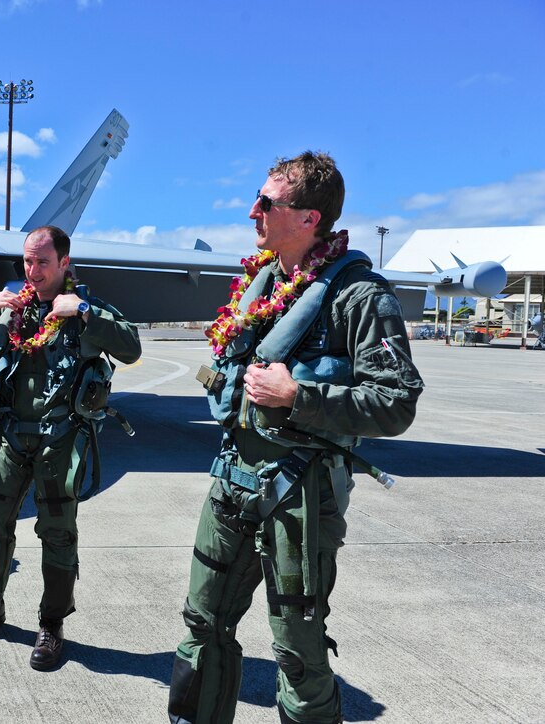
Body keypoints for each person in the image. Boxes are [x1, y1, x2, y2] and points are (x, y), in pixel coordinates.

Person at [168, 152, 424, 723]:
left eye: (268, 202)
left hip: (300, 496)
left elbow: (397, 403)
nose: (252, 211)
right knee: (201, 625)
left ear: (309, 218)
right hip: (231, 480)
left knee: (297, 653)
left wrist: (298, 397)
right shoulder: (258, 289)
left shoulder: (359, 297)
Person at [0, 225, 142, 670]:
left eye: (41, 262)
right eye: (27, 261)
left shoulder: (81, 309)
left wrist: (86, 311)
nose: (31, 271)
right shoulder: (10, 310)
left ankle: (52, 625)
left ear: (64, 264)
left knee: (57, 536)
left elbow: (130, 348)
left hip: (60, 443)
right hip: (8, 438)